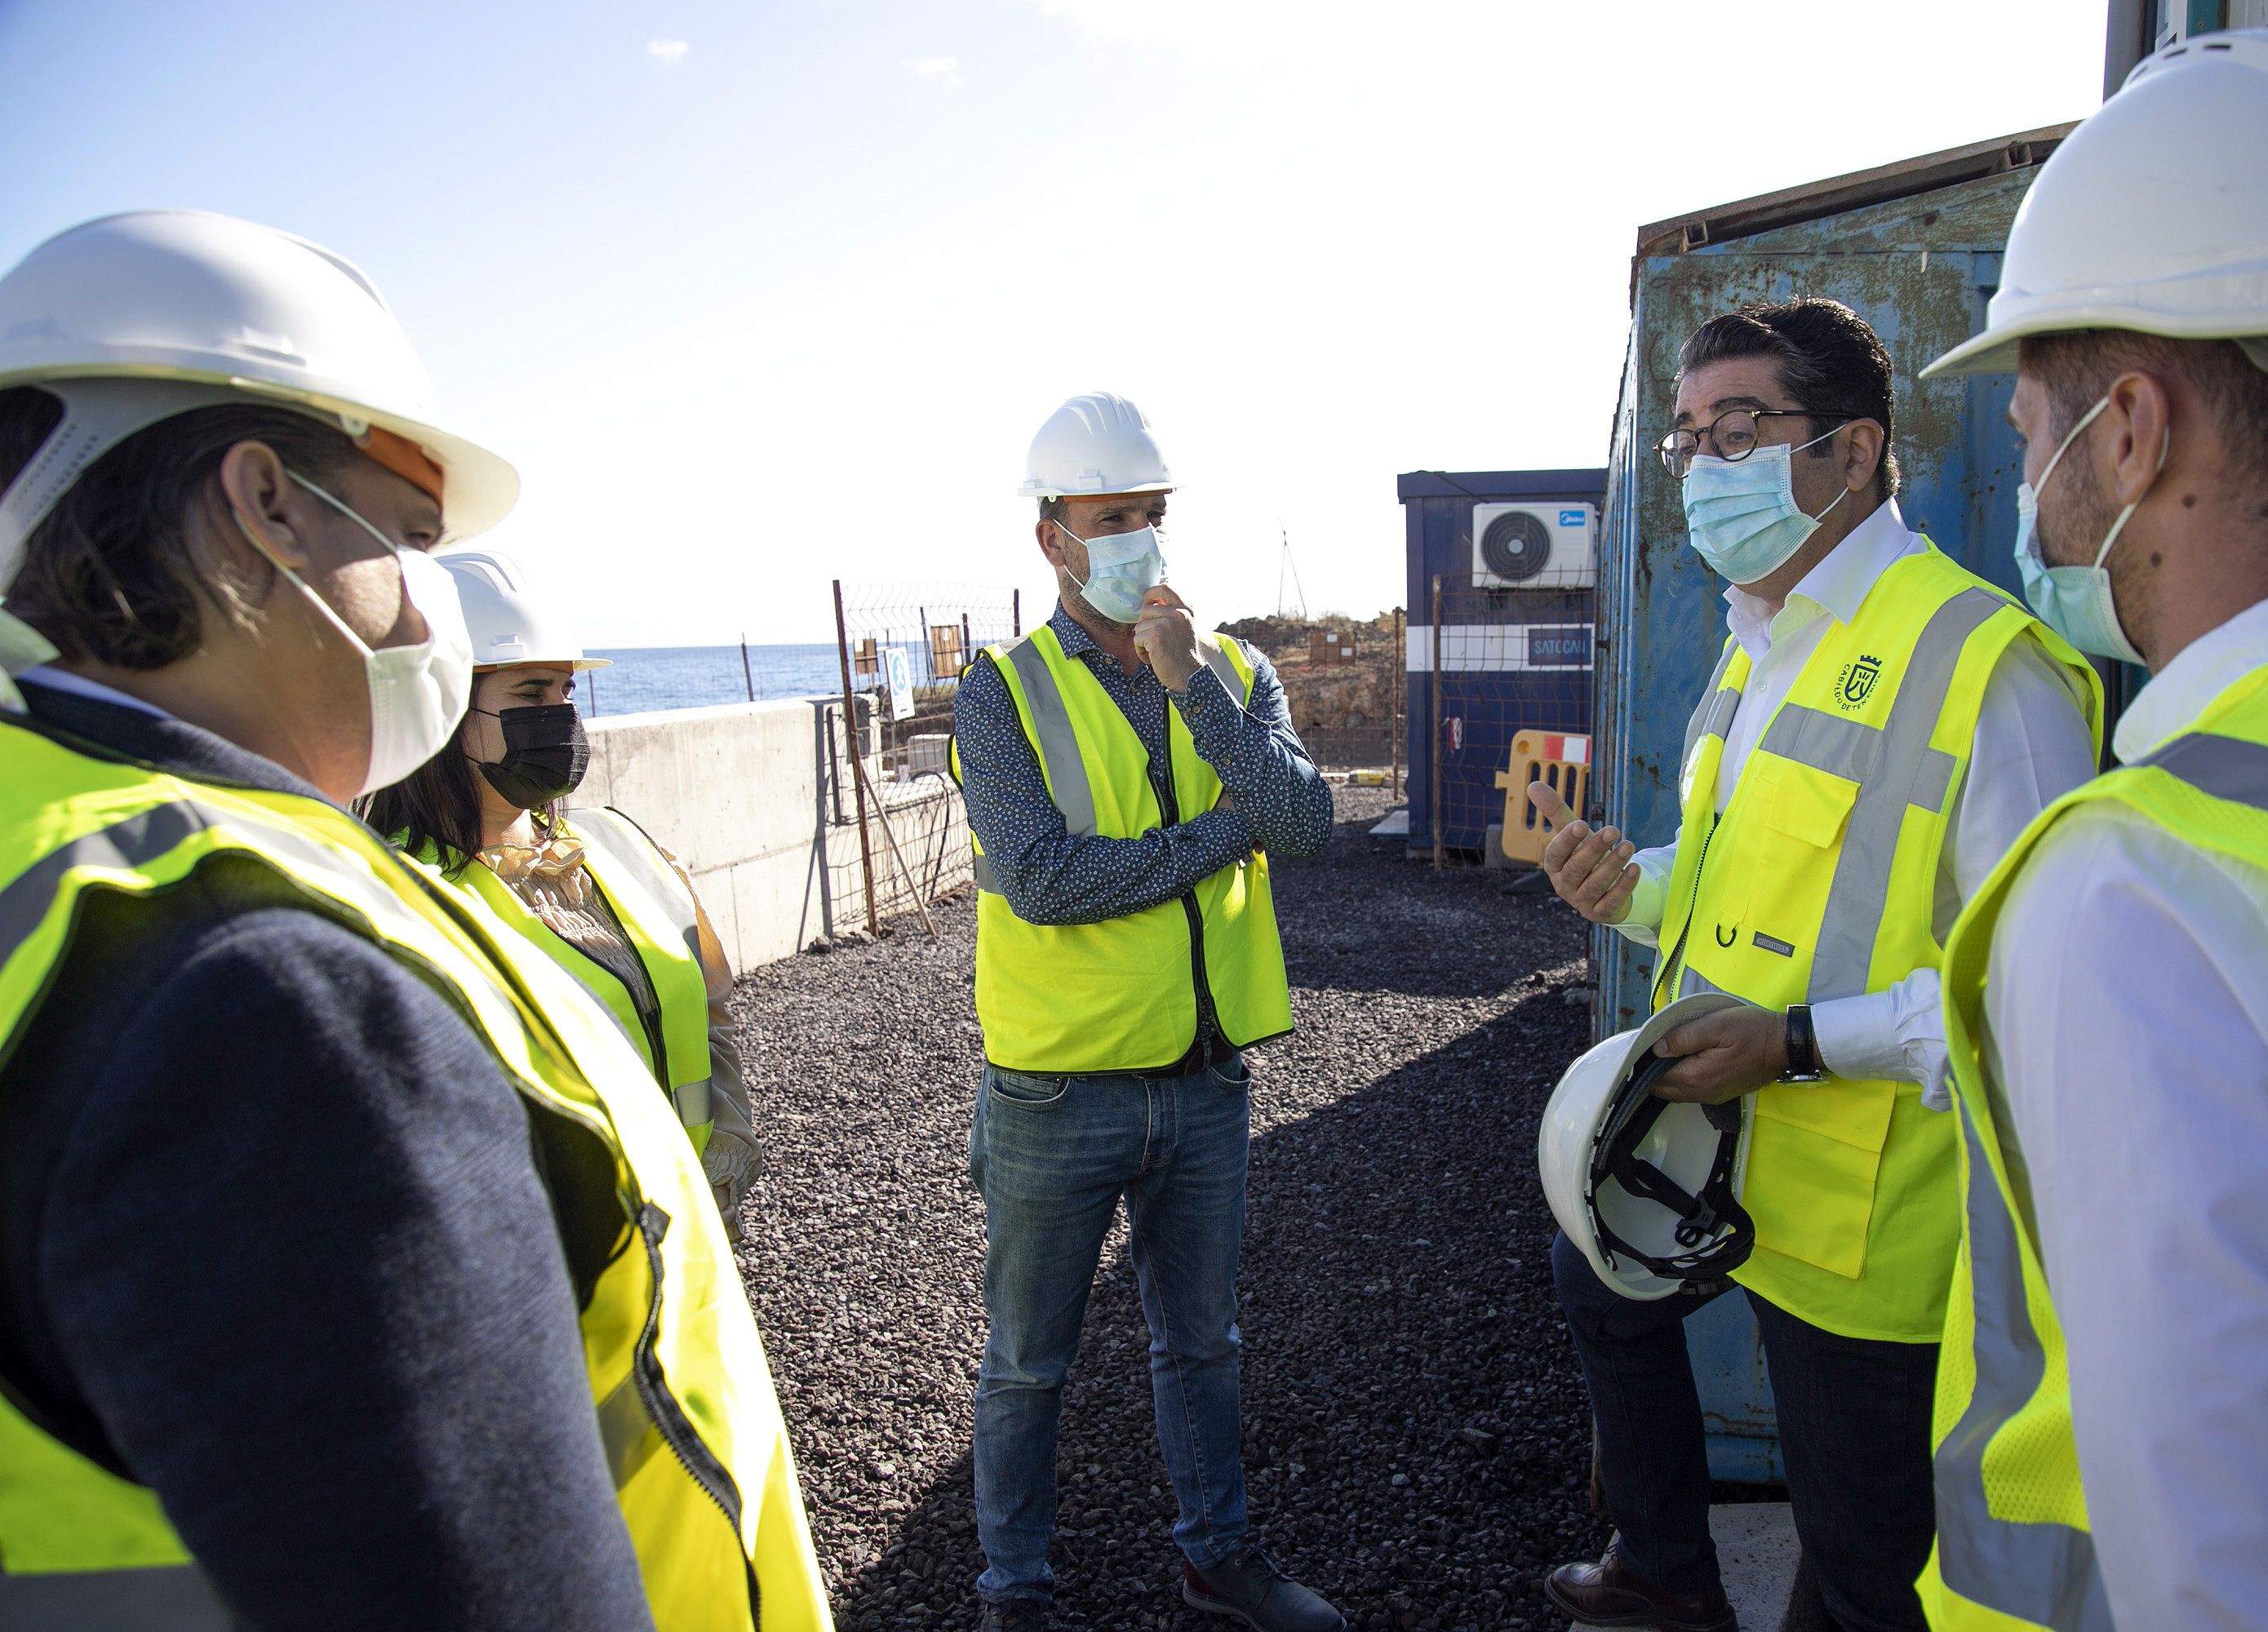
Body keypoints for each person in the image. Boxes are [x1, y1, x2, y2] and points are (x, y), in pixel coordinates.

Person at [0, 211, 830, 1630]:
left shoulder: (52, 847)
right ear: (261, 503)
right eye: (408, 537)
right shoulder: (256, 988)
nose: (425, 615)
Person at [1911, 30, 2268, 1630]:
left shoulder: (2144, 891)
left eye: (2027, 432)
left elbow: (2246, 1590)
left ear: (2130, 434)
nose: (2032, 482)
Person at [1531, 299, 2104, 1631]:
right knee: (1589, 1275)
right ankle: (1666, 1570)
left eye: (1744, 428)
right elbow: (1737, 895)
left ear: (1852, 454)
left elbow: (2037, 1003)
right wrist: (1631, 893)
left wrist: (1796, 1044)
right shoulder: (1754, 647)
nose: (1707, 466)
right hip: (1731, 1154)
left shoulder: (1988, 676)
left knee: (1860, 1568)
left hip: (1876, 1224)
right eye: (1688, 437)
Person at [950, 391, 1340, 1632]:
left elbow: (1314, 825)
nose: (1137, 542)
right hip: (1057, 1090)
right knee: (1027, 1363)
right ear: (1052, 539)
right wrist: (1228, 830)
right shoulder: (1001, 691)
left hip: (1207, 1076)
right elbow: (1045, 880)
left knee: (1204, 1345)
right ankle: (1017, 1592)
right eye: (1109, 518)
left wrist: (1196, 697)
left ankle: (1217, 1560)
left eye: (1151, 516)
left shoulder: (1233, 670)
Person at [366, 548, 766, 1240]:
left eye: (565, 693)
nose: (558, 717)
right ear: (441, 710)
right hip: (562, 1258)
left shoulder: (623, 847)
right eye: (529, 696)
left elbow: (709, 1018)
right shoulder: (398, 900)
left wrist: (723, 1168)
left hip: (694, 1224)